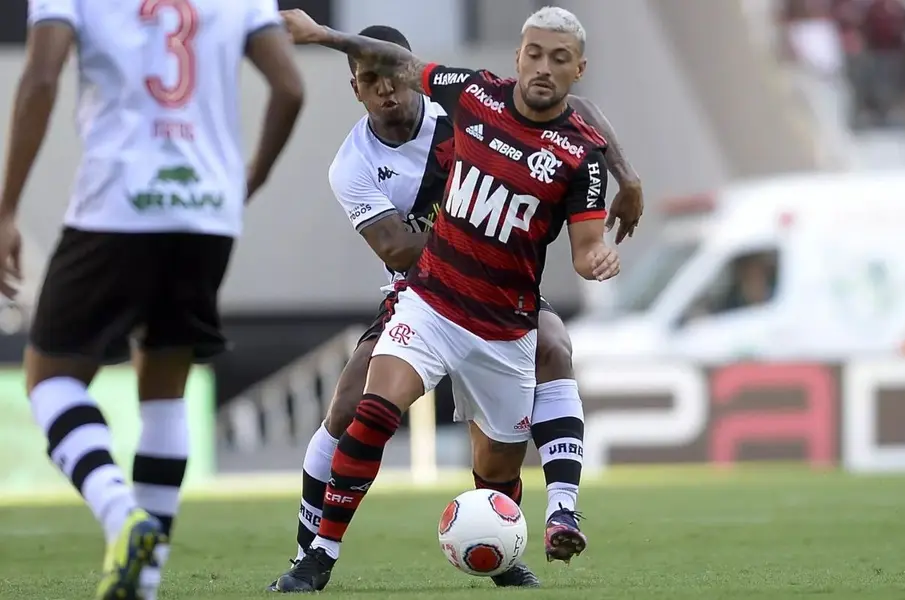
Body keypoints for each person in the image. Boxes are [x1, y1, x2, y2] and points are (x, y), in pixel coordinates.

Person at [269, 24, 643, 592]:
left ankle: (532, 525)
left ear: (406, 74)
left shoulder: (464, 104)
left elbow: (574, 110)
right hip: (421, 289)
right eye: (369, 83)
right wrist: (486, 238)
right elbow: (395, 246)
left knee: (550, 354)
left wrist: (627, 177)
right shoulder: (353, 164)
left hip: (502, 299)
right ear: (356, 89)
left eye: (389, 78)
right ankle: (312, 552)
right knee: (354, 408)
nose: (385, 92)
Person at [0, 1, 304, 598]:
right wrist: (252, 177)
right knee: (164, 390)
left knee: (49, 378)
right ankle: (146, 582)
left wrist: (7, 206)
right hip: (207, 214)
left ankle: (119, 512)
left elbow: (40, 76)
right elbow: (290, 88)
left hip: (117, 203)